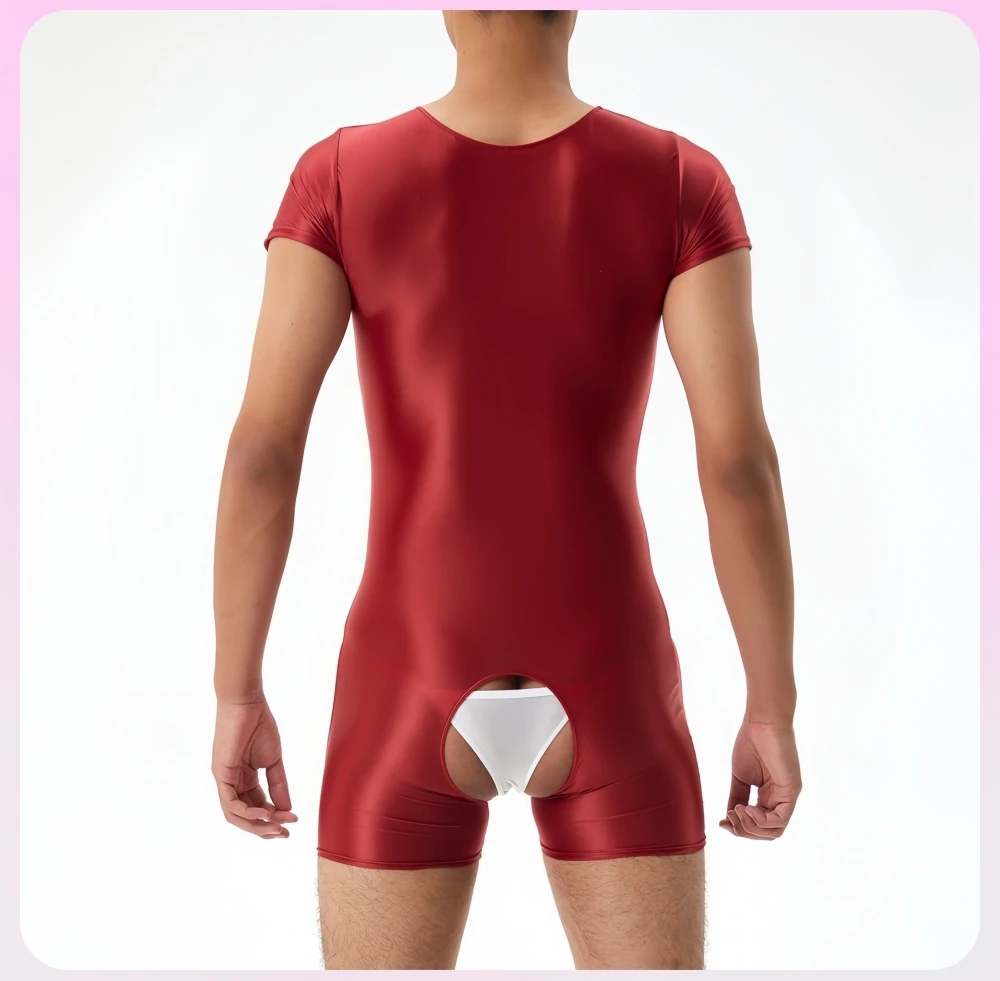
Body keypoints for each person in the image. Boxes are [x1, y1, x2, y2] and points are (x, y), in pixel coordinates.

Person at [211, 9, 802, 971]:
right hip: (614, 674)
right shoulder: (680, 178)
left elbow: (263, 453)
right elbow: (738, 465)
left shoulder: (341, 176)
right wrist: (771, 706)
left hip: (406, 665)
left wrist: (237, 691)